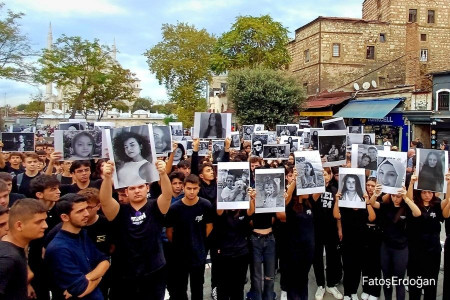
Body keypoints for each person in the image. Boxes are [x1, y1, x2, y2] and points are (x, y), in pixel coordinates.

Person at [99, 160, 172, 300]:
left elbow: (167, 195)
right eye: (132, 188)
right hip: (125, 272)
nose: (137, 190)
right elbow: (105, 201)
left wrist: (163, 174)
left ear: (147, 188)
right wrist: (108, 178)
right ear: (126, 191)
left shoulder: (156, 207)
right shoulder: (119, 211)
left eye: (140, 187)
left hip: (154, 270)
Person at [45, 193, 110, 300]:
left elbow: (105, 261)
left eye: (86, 209)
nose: (86, 214)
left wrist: (88, 277)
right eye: (80, 211)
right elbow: (81, 290)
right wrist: (99, 276)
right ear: (65, 217)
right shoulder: (59, 249)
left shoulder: (82, 234)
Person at [369, 184, 421, 300]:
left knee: (399, 280)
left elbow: (417, 213)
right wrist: (376, 194)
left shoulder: (406, 208)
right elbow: (372, 203)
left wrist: (406, 198)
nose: (395, 199)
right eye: (393, 196)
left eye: (398, 196)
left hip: (401, 248)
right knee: (386, 279)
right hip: (386, 247)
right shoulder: (386, 206)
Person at [0, 199, 48, 300]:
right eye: (39, 222)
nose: (45, 226)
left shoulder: (15, 250)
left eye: (45, 220)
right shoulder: (8, 258)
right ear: (19, 225)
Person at [407, 174, 444, 300]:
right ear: (419, 193)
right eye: (424, 192)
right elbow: (408, 199)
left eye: (430, 192)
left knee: (431, 282)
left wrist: (448, 183)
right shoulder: (414, 204)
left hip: (433, 251)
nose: (427, 195)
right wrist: (411, 183)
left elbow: (447, 201)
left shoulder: (437, 204)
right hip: (416, 250)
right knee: (415, 283)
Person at [313, 167, 343, 300]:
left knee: (332, 257)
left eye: (326, 174)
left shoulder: (335, 190)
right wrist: (319, 186)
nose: (325, 176)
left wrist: (339, 228)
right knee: (317, 258)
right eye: (322, 174)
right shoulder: (313, 189)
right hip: (316, 229)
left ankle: (331, 284)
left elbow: (338, 214)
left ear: (330, 175)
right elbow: (313, 200)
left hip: (331, 229)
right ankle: (321, 285)